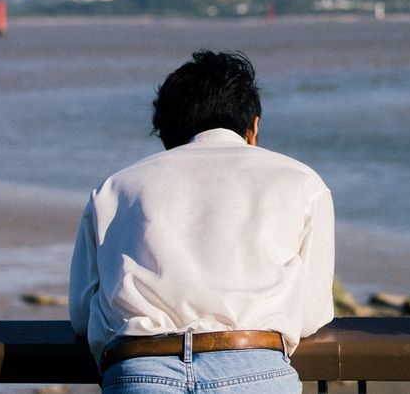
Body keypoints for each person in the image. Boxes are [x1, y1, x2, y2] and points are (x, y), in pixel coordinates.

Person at [70, 50, 334, 393]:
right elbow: (311, 314)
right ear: (254, 126)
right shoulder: (302, 181)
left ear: (165, 132)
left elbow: (81, 315)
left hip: (139, 370)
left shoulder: (117, 187)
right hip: (255, 369)